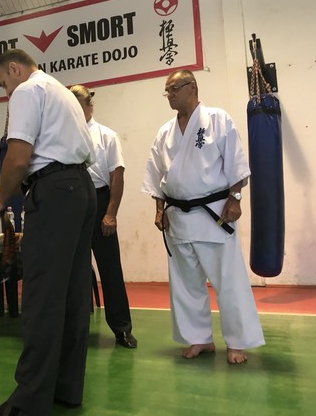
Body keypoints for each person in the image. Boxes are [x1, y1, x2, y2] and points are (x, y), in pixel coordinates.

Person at [0, 49, 96, 416]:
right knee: (72, 295)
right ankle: (65, 389)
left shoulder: (27, 90)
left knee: (42, 298)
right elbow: (43, 157)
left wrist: (2, 200)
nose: (6, 92)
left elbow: (18, 158)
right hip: (80, 189)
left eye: (3, 83)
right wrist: (0, 190)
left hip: (55, 193)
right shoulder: (59, 91)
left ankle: (27, 405)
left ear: (14, 69)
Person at [142, 69, 265, 365]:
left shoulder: (218, 120)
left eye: (174, 89)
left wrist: (235, 198)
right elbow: (156, 175)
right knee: (186, 284)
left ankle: (237, 342)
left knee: (228, 280)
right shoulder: (165, 132)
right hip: (178, 217)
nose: (170, 95)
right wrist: (159, 209)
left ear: (192, 87)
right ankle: (199, 338)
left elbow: (236, 162)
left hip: (215, 214)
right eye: (167, 91)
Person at [69, 85, 137, 349]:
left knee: (110, 269)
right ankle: (74, 330)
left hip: (99, 202)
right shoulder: (63, 135)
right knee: (74, 270)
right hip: (72, 203)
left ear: (90, 105)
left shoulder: (106, 135)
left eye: (79, 105)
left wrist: (111, 213)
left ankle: (122, 328)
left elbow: (116, 175)